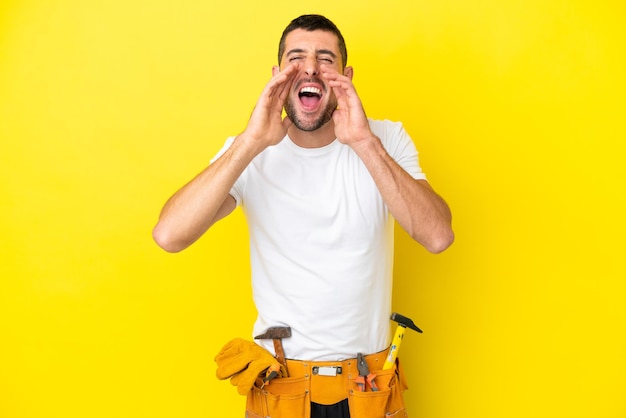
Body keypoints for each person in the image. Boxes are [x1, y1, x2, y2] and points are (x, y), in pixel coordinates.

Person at [153, 14, 454, 418]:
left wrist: (363, 142)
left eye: (325, 59)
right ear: (278, 76)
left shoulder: (385, 138)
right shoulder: (249, 150)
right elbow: (170, 235)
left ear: (345, 76)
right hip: (280, 390)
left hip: (367, 389)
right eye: (297, 58)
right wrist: (251, 142)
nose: (311, 68)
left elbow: (437, 236)